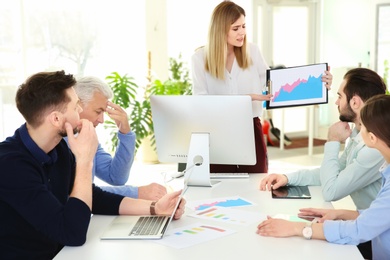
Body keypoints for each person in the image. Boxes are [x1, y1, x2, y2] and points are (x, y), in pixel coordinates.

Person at [0, 71, 185, 259]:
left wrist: (155, 208)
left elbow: (94, 197)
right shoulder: (10, 165)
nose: (81, 110)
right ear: (56, 119)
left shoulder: (59, 149)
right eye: (76, 106)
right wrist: (85, 160)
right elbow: (72, 233)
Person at [191, 1, 332, 173]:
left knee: (256, 180)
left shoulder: (252, 51)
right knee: (220, 182)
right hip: (217, 132)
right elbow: (200, 101)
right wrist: (246, 99)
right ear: (220, 29)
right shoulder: (199, 58)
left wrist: (319, 82)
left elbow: (275, 84)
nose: (242, 32)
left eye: (243, 26)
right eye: (235, 28)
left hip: (251, 128)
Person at [259, 67, 387, 259]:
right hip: (374, 233)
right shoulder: (364, 143)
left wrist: (333, 141)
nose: (336, 101)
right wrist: (288, 177)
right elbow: (332, 174)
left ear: (354, 102)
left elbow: (332, 191)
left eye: (339, 96)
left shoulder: (373, 151)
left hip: (375, 240)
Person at [71, 76, 167, 200]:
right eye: (98, 111)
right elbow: (76, 192)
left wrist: (125, 133)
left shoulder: (86, 138)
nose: (102, 120)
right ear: (77, 105)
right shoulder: (58, 142)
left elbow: (116, 177)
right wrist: (137, 192)